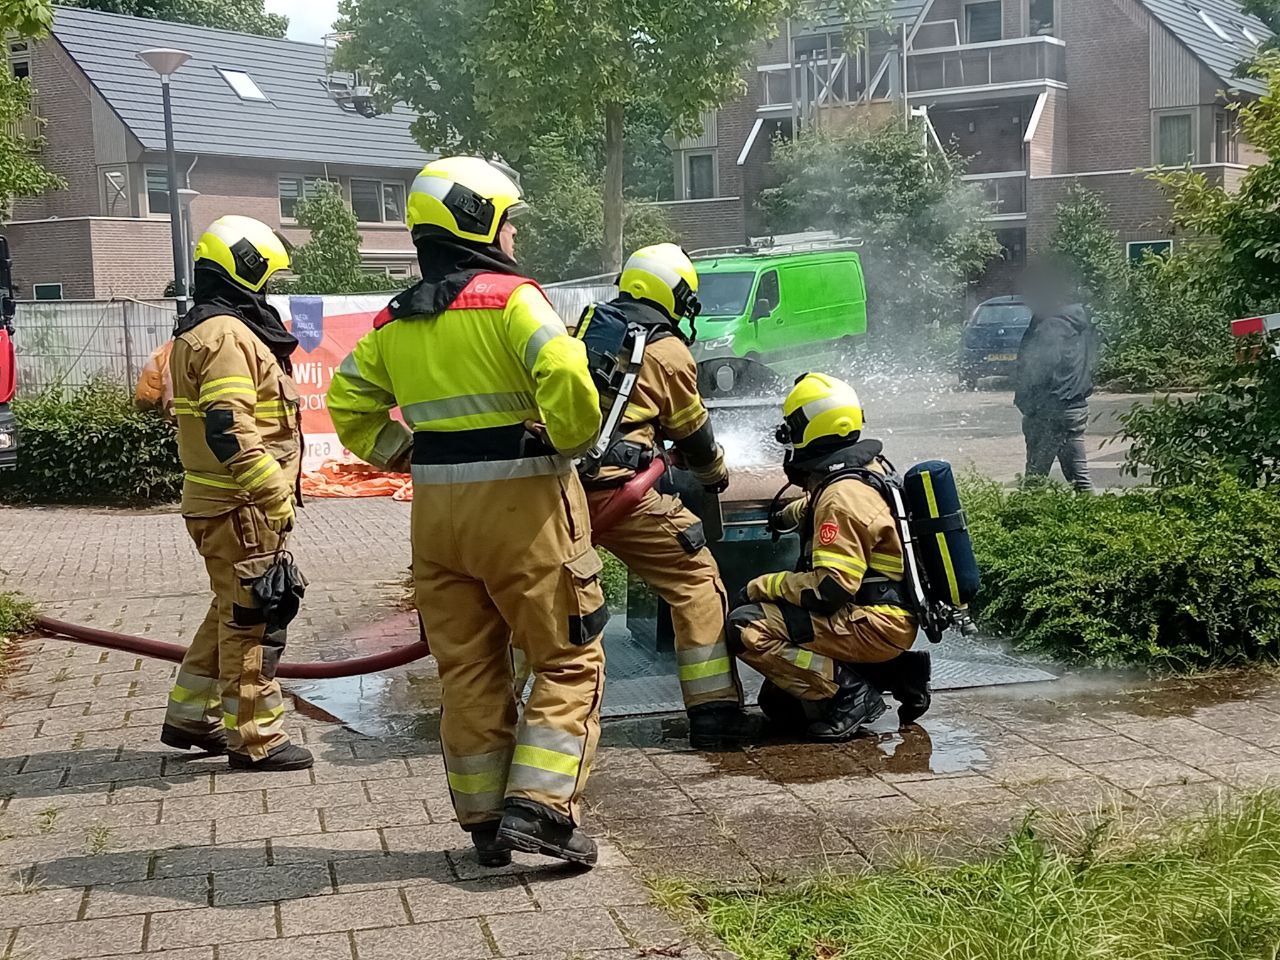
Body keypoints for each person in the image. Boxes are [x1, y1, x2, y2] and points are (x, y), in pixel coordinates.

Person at [327, 157, 605, 869]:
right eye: (508, 219)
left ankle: (486, 821)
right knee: (569, 660)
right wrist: (573, 439)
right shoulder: (513, 300)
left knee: (469, 668)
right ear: (480, 221)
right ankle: (542, 811)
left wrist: (408, 454)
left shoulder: (396, 319)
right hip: (525, 510)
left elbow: (348, 405)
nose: (513, 234)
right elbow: (567, 374)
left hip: (438, 519)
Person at [575, 243, 755, 749]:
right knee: (696, 580)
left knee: (543, 594)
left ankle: (500, 708)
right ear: (673, 295)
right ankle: (715, 714)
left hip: (563, 491)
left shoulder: (589, 328)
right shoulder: (667, 350)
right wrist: (714, 473)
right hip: (621, 495)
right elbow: (692, 430)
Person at [161, 215, 313, 772]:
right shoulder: (228, 335)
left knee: (230, 607)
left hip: (220, 503)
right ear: (245, 270)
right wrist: (272, 494)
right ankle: (256, 738)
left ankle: (188, 715)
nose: (268, 291)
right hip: (240, 506)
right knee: (253, 617)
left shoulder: (203, 329)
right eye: (266, 278)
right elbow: (230, 427)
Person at [726, 373, 930, 742]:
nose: (786, 436)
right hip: (886, 616)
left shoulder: (840, 499)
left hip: (872, 622)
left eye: (792, 426)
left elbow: (830, 588)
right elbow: (842, 507)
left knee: (747, 627)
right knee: (780, 703)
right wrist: (791, 514)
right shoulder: (869, 469)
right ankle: (897, 672)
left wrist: (762, 585)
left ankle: (851, 695)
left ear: (809, 428)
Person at [1014, 261, 1098, 493]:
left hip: (1050, 411)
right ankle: (1096, 517)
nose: (1025, 299)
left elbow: (1041, 368)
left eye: (1027, 292)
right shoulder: (1076, 319)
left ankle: (1025, 521)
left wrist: (1029, 404)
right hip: (1073, 406)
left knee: (1034, 481)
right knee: (1079, 477)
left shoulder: (1051, 324)